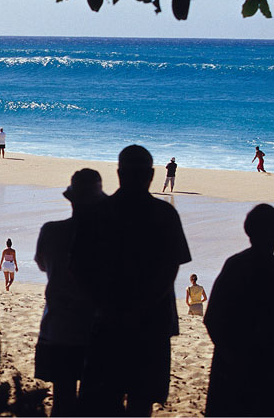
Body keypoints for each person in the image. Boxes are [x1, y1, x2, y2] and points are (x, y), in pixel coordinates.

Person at [72, 145, 191, 417]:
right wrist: (143, 306)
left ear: (118, 173)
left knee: (103, 400)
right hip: (152, 322)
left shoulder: (97, 214)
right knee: (141, 402)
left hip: (105, 320)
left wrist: (103, 306)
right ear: (151, 174)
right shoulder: (165, 215)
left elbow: (78, 270)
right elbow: (170, 271)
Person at [203, 204, 274, 417]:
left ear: (248, 231)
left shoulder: (234, 265)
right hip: (268, 369)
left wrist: (229, 354)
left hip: (228, 368)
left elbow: (212, 317)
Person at [34, 168, 106, 417]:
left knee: (62, 397)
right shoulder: (107, 237)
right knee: (95, 399)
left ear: (72, 200)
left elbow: (43, 265)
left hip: (58, 324)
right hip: (96, 328)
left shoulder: (51, 230)